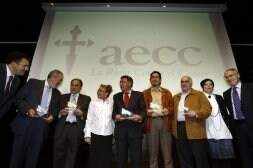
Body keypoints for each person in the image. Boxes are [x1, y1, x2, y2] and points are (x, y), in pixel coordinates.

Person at [8, 69, 64, 168]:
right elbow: (18, 99)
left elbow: (55, 110)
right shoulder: (33, 83)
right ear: (53, 77)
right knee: (16, 157)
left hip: (41, 127)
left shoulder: (58, 94)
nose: (60, 82)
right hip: (25, 123)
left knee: (33, 158)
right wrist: (28, 109)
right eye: (59, 80)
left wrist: (52, 116)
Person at [172, 75, 211, 168]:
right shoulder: (176, 97)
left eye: (186, 81)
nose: (184, 83)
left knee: (200, 157)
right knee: (184, 158)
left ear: (191, 83)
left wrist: (196, 113)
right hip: (179, 129)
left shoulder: (199, 94)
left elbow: (207, 109)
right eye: (182, 81)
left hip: (195, 128)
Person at [53, 78, 91, 168]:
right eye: (72, 85)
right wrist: (60, 113)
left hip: (75, 128)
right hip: (62, 127)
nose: (73, 87)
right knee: (58, 152)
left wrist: (82, 114)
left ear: (81, 87)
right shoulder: (62, 97)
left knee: (72, 154)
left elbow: (90, 114)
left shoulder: (86, 99)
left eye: (76, 85)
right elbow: (54, 110)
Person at [200, 78, 235, 168]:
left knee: (227, 158)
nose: (208, 86)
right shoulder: (199, 98)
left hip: (223, 130)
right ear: (202, 87)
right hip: (209, 131)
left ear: (213, 87)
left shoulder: (219, 97)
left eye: (210, 84)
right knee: (214, 160)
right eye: (206, 84)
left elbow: (225, 114)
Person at [112, 75, 146, 168]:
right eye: (120, 82)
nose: (121, 84)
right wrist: (116, 116)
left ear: (130, 83)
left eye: (123, 82)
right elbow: (114, 111)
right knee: (121, 160)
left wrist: (139, 117)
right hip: (120, 132)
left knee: (136, 159)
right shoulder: (116, 96)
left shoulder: (139, 95)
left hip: (135, 131)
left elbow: (143, 110)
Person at [143, 71, 174, 168]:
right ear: (150, 80)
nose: (154, 78)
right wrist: (145, 111)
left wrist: (168, 110)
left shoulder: (167, 92)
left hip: (165, 121)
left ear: (160, 80)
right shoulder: (145, 93)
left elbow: (173, 107)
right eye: (152, 77)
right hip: (151, 122)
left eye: (157, 77)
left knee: (167, 151)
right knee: (152, 152)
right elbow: (140, 108)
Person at [223, 68, 253, 168]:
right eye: (227, 77)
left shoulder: (250, 86)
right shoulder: (226, 94)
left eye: (231, 75)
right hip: (238, 127)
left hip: (251, 123)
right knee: (245, 155)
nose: (229, 78)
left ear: (238, 75)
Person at [84, 84, 114, 168]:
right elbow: (89, 119)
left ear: (107, 93)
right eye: (98, 90)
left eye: (101, 91)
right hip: (95, 134)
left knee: (106, 158)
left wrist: (114, 135)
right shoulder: (93, 103)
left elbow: (113, 121)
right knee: (94, 158)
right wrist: (87, 135)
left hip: (108, 135)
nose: (98, 92)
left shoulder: (112, 103)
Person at [0, 51, 30, 119]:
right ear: (13, 64)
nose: (27, 69)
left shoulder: (17, 81)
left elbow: (7, 103)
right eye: (25, 66)